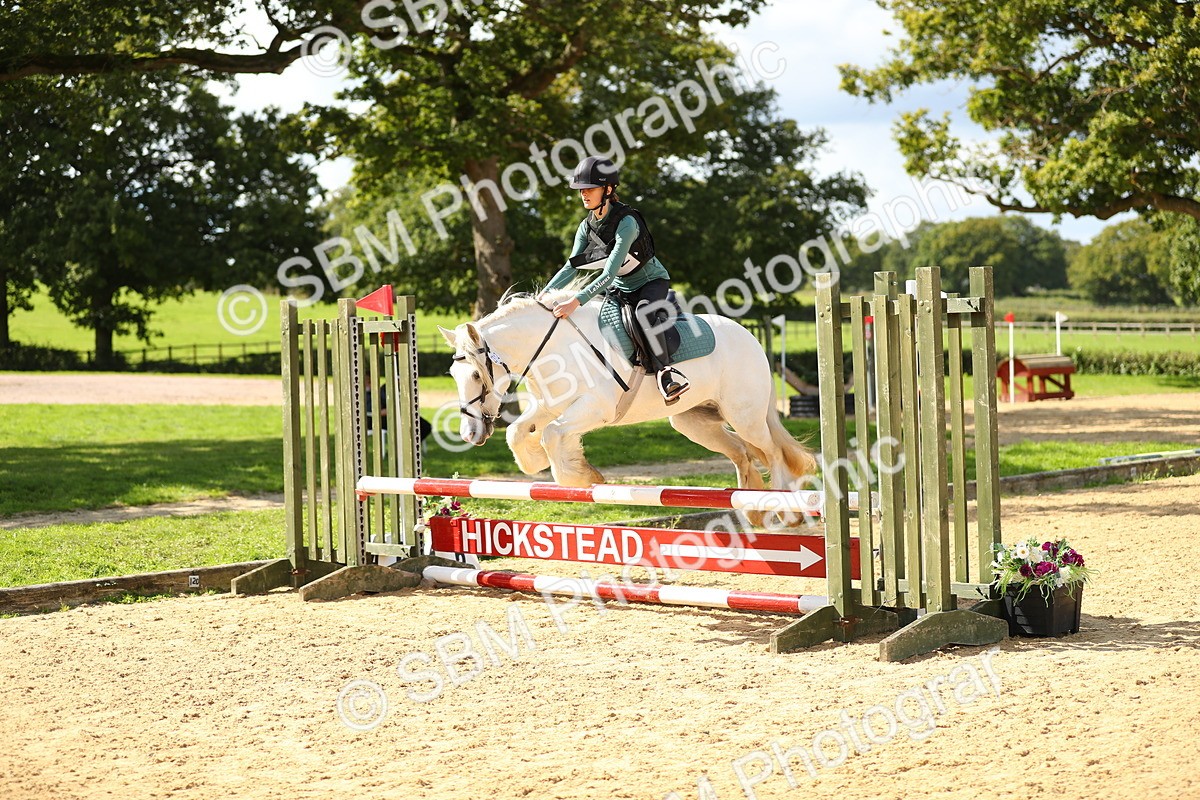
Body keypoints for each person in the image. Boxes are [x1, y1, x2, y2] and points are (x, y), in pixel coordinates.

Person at [543, 156, 690, 401]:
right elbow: (572, 267)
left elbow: (608, 274)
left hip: (651, 283)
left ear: (608, 189)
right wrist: (543, 295)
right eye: (581, 190)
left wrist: (574, 301)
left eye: (590, 188)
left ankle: (666, 373)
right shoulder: (586, 227)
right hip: (622, 287)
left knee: (644, 312)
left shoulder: (627, 222)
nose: (584, 194)